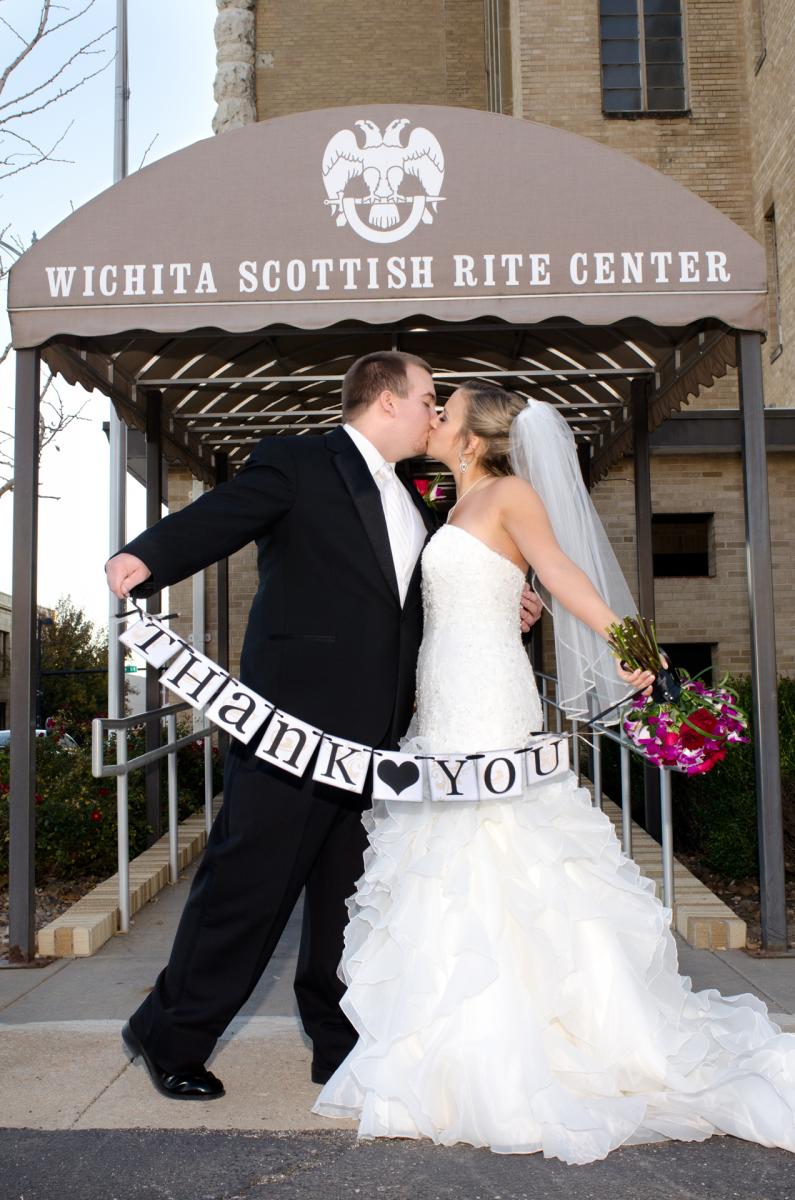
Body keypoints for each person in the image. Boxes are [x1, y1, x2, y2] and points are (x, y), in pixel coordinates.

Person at [313, 382, 795, 1164]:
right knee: (444, 861)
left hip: (488, 702)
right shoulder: (453, 503)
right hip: (443, 698)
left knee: (504, 848)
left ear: (473, 436)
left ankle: (525, 1042)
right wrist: (513, 598)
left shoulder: (509, 493)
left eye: (445, 411)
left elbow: (563, 572)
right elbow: (484, 588)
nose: (433, 418)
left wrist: (635, 651)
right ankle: (448, 1039)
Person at [105, 352, 542, 1101]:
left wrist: (509, 605)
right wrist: (145, 558)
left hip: (375, 743)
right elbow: (223, 515)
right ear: (386, 400)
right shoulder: (299, 462)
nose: (434, 413)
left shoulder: (417, 496)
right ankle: (169, 1034)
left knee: (347, 901)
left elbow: (423, 605)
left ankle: (336, 1045)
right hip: (290, 728)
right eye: (427, 399)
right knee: (248, 886)